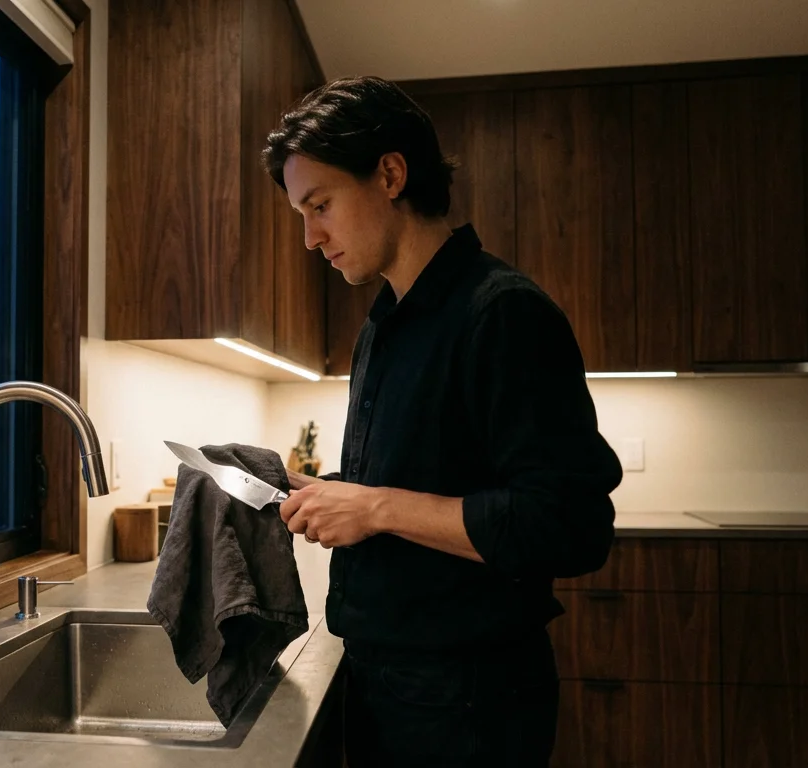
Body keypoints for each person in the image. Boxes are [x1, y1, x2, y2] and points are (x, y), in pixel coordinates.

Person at [262, 76, 623, 766]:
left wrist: (375, 507)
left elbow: (570, 525)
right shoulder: (382, 327)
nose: (310, 238)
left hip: (469, 704)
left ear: (390, 175)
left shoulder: (503, 313)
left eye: (321, 205)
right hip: (386, 683)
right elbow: (419, 482)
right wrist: (327, 493)